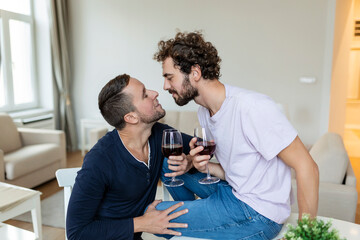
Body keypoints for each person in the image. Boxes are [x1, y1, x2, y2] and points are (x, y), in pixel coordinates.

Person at [153, 31, 319, 239]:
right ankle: (201, 222)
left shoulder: (252, 107)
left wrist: (307, 235)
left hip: (257, 213)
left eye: (170, 77)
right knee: (168, 165)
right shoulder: (205, 112)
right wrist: (195, 164)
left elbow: (307, 166)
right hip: (233, 193)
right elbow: (237, 172)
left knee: (156, 216)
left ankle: (200, 223)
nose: (165, 86)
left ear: (195, 72)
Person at [66, 74, 196, 240]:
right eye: (145, 94)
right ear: (131, 117)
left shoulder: (160, 135)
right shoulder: (99, 160)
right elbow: (76, 233)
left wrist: (190, 161)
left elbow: (202, 145)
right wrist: (141, 223)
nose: (155, 93)